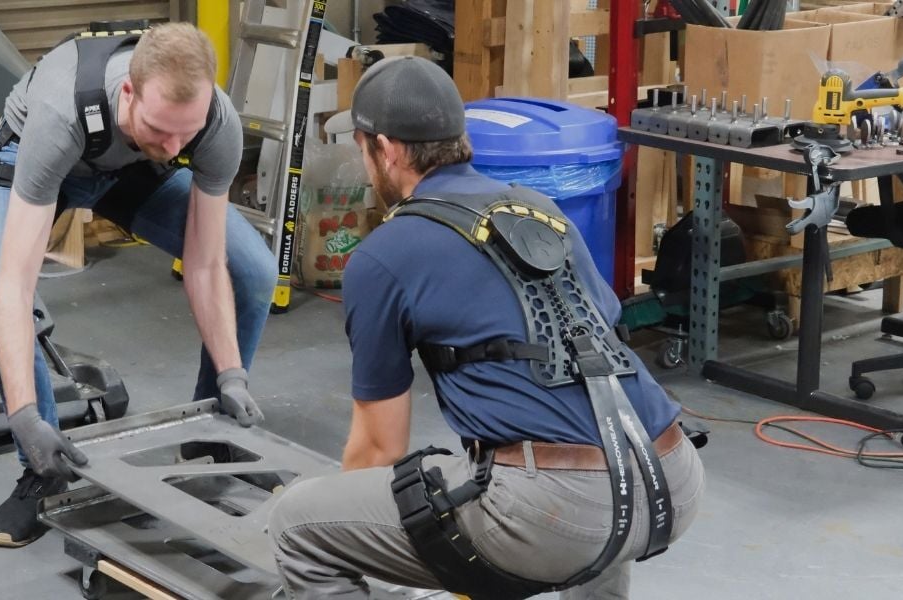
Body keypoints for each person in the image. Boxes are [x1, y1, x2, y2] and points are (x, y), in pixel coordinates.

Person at [267, 56, 706, 599]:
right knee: (592, 462)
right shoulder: (539, 209)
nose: (364, 167)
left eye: (362, 150)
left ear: (388, 149)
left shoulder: (383, 256)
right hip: (671, 475)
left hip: (556, 513)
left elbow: (377, 451)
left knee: (298, 526)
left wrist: (345, 528)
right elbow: (604, 341)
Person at [0, 22, 275, 548]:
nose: (177, 144)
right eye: (163, 129)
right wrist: (20, 416)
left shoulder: (209, 122)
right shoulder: (61, 114)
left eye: (187, 132)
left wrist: (232, 372)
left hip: (130, 165)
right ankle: (43, 465)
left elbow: (204, 263)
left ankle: (210, 430)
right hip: (28, 158)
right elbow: (15, 287)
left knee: (252, 269)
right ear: (129, 92)